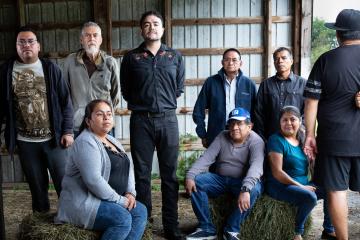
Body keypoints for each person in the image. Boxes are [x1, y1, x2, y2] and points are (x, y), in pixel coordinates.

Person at [120, 10, 185, 240]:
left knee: (170, 176)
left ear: (163, 29)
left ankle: (171, 225)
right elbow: (126, 91)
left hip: (168, 120)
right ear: (141, 30)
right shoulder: (131, 58)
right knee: (142, 175)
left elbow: (177, 89)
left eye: (156, 24)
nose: (152, 28)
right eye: (146, 25)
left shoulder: (175, 57)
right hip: (141, 121)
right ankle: (144, 223)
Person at [0, 26, 74, 212]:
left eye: (30, 41)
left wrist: (67, 131)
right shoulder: (6, 72)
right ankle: (40, 225)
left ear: (38, 46)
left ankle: (69, 222)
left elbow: (66, 102)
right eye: (21, 42)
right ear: (16, 46)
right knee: (37, 189)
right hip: (26, 143)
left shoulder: (51, 69)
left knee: (65, 186)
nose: (26, 45)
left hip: (54, 140)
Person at [303, 9, 360, 240]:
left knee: (336, 191)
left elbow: (311, 102)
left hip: (334, 138)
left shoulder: (325, 60)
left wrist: (309, 134)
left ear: (339, 34)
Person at [55, 99, 147, 240]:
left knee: (140, 211)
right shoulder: (86, 142)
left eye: (109, 114)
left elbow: (129, 169)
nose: (106, 117)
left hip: (108, 199)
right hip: (86, 202)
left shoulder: (113, 140)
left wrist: (130, 193)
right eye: (99, 114)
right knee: (121, 219)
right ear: (88, 121)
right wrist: (120, 200)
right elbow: (93, 180)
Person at [185, 108, 264, 240]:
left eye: (239, 123)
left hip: (240, 182)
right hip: (220, 180)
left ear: (249, 126)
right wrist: (190, 176)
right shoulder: (222, 136)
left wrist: (245, 189)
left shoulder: (256, 141)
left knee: (254, 189)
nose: (234, 127)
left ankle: (232, 230)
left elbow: (256, 167)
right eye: (232, 123)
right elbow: (206, 158)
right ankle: (207, 228)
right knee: (197, 181)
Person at [265, 106, 335, 240]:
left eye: (292, 119)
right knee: (310, 197)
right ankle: (297, 233)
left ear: (300, 121)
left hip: (302, 183)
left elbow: (310, 165)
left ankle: (329, 229)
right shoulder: (276, 140)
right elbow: (277, 173)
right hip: (279, 185)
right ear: (279, 122)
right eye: (284, 120)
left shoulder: (302, 138)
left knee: (330, 189)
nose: (289, 123)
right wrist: (301, 187)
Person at [63, 21, 120, 135]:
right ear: (81, 40)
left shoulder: (110, 63)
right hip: (78, 124)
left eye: (95, 35)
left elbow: (115, 95)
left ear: (100, 40)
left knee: (105, 153)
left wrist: (103, 113)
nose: (91, 38)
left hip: (104, 125)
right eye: (87, 35)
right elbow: (65, 93)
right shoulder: (70, 61)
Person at [193, 48, 257, 148]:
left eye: (234, 60)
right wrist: (203, 133)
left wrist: (252, 133)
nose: (231, 62)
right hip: (216, 134)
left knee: (242, 162)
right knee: (217, 162)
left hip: (242, 135)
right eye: (227, 59)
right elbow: (198, 110)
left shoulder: (249, 84)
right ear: (222, 62)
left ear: (241, 63)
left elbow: (256, 113)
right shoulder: (211, 82)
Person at [254, 47, 306, 141]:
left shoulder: (302, 83)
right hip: (271, 137)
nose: (280, 61)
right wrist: (261, 138)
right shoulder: (266, 85)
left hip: (296, 138)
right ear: (274, 63)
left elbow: (306, 112)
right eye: (276, 59)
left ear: (291, 61)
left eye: (284, 58)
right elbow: (259, 113)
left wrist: (301, 132)